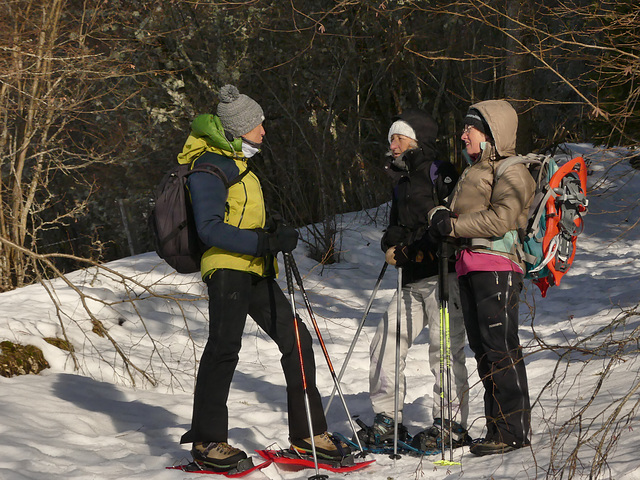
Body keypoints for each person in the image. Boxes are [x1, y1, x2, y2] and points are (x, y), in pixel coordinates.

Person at [178, 84, 350, 471]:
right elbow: (209, 228)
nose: (264, 131)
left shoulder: (236, 163)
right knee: (224, 349)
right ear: (240, 129)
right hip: (227, 269)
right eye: (258, 125)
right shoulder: (209, 165)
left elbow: (241, 216)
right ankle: (207, 441)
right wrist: (264, 241)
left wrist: (272, 229)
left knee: (297, 339)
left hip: (254, 269)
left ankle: (308, 434)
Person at [427, 99, 535, 456]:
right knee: (483, 350)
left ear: (489, 134)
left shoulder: (511, 170)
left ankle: (512, 431)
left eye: (469, 129)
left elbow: (502, 218)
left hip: (497, 265)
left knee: (500, 348)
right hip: (471, 265)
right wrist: (440, 215)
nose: (462, 136)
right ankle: (497, 427)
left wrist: (453, 224)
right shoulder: (475, 170)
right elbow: (453, 211)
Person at [359, 109, 471, 452]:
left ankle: (450, 424)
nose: (392, 145)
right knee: (385, 343)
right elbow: (396, 227)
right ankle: (387, 419)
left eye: (399, 138)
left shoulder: (442, 171)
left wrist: (416, 247)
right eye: (391, 138)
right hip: (410, 279)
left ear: (417, 140)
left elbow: (450, 224)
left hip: (444, 275)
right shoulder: (401, 180)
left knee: (445, 350)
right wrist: (389, 244)